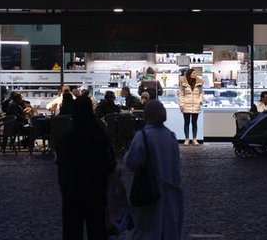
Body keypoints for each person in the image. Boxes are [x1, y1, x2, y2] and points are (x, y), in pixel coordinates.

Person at [56, 95, 117, 239]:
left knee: (72, 230)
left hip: (72, 190)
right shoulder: (99, 135)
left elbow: (61, 166)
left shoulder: (67, 138)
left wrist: (65, 188)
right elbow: (109, 163)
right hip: (96, 189)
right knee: (97, 229)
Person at [124, 99, 183, 240]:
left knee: (146, 229)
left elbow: (132, 162)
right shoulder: (170, 136)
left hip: (149, 192)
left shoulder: (142, 136)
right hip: (171, 193)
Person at [178, 68, 204, 145]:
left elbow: (201, 93)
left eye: (195, 73)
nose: (194, 74)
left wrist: (200, 101)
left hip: (196, 105)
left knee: (194, 122)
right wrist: (181, 104)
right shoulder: (183, 82)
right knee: (186, 122)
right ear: (189, 74)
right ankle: (186, 139)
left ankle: (194, 139)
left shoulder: (199, 82)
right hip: (186, 105)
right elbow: (181, 94)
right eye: (193, 73)